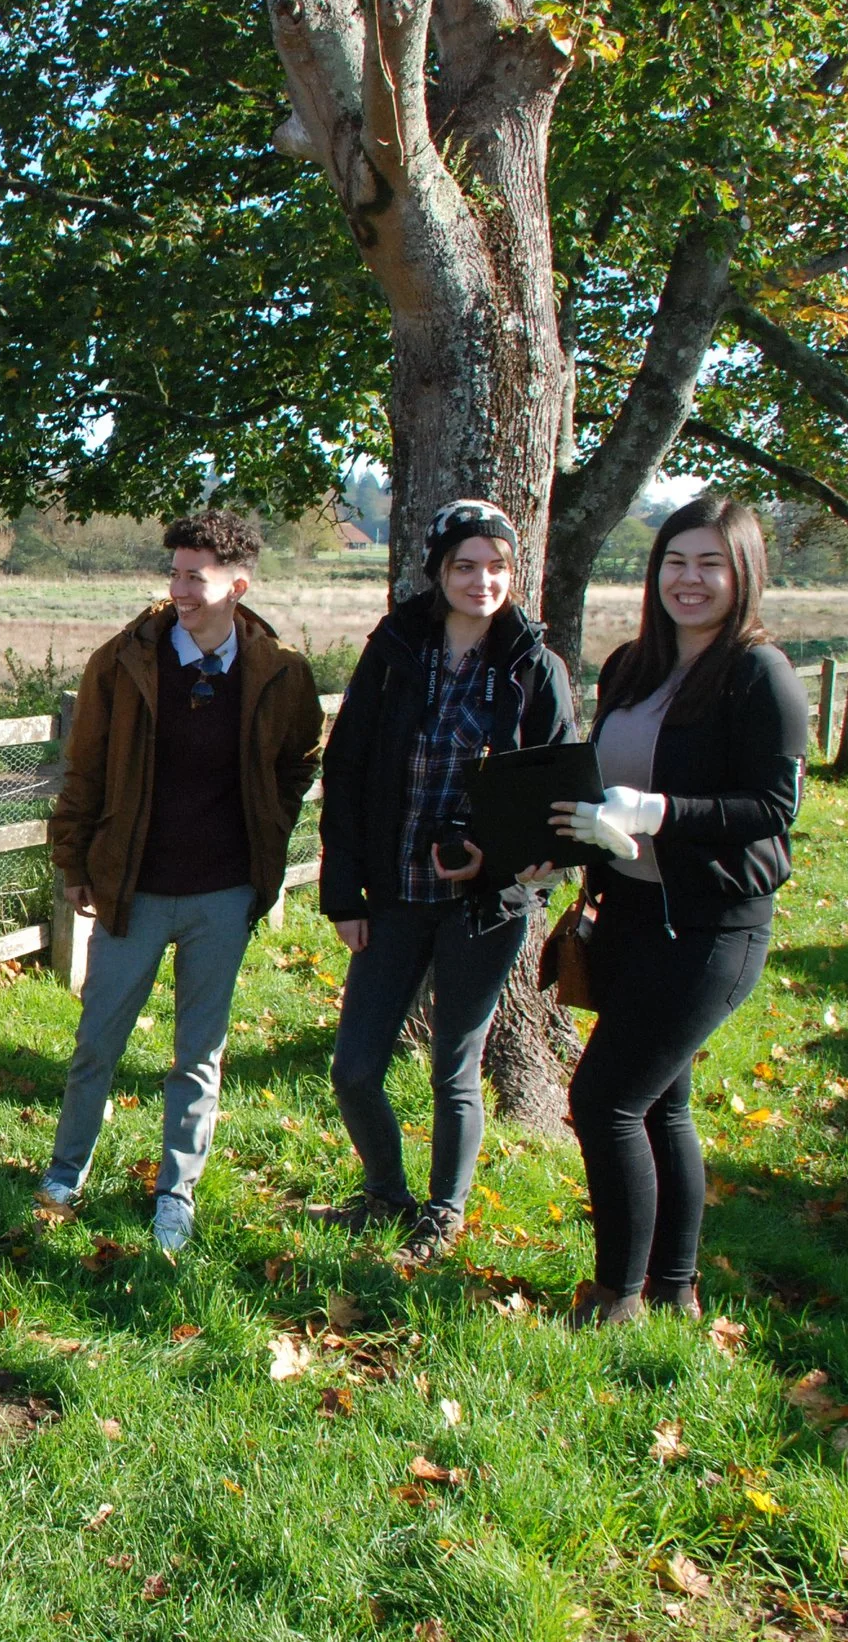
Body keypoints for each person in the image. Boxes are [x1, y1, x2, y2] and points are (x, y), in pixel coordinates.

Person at [40, 507, 324, 1255]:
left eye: (195, 578)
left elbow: (298, 759)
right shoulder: (122, 661)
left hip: (223, 894)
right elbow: (84, 769)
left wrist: (270, 825)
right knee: (97, 1041)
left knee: (198, 1054)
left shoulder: (282, 671)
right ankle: (65, 1175)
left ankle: (176, 1195)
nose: (179, 591)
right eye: (175, 574)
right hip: (132, 888)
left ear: (238, 586)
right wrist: (75, 862)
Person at [552, 495, 807, 1324]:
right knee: (661, 1103)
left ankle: (616, 1299)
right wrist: (566, 839)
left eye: (710, 564)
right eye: (675, 561)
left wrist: (656, 812)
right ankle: (672, 1289)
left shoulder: (759, 675)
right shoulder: (631, 665)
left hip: (710, 926)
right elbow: (604, 785)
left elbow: (771, 806)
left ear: (744, 574)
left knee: (605, 1101)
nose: (689, 580)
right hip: (627, 914)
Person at [313, 500, 578, 1266]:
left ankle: (442, 1215)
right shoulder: (396, 650)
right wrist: (343, 892)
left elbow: (557, 787)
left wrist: (495, 859)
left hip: (484, 907)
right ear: (438, 571)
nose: (481, 580)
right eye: (465, 565)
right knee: (355, 1069)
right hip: (394, 897)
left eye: (496, 566)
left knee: (453, 1068)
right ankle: (385, 1194)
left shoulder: (534, 667)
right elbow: (348, 769)